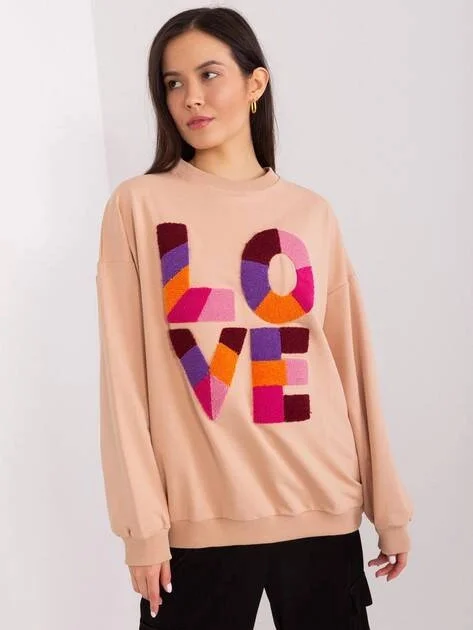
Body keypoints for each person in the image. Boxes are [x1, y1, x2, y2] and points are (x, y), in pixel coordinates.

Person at [95, 7, 414, 630]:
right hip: (197, 522)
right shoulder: (139, 205)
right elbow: (124, 381)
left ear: (255, 83)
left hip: (321, 504)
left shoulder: (311, 213)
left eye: (209, 74)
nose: (191, 97)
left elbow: (351, 367)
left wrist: (390, 508)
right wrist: (142, 529)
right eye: (173, 82)